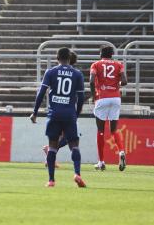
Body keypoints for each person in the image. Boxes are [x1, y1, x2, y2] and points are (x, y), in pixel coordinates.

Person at [30, 47, 86, 188]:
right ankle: (77, 174)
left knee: (53, 147)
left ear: (57, 58)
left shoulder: (51, 72)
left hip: (54, 114)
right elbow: (81, 97)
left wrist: (35, 112)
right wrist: (76, 114)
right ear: (69, 58)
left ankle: (51, 180)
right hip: (69, 114)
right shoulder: (77, 74)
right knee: (74, 145)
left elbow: (41, 92)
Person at [90, 45, 128, 171]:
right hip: (115, 98)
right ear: (112, 54)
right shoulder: (119, 64)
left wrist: (93, 96)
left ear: (101, 53)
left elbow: (91, 81)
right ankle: (121, 152)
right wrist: (116, 84)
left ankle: (101, 162)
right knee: (114, 130)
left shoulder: (95, 64)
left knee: (100, 131)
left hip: (102, 97)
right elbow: (125, 81)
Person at [42, 50, 79, 166]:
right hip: (67, 111)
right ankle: (50, 155)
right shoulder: (74, 74)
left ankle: (50, 154)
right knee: (67, 138)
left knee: (63, 137)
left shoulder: (58, 72)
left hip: (57, 110)